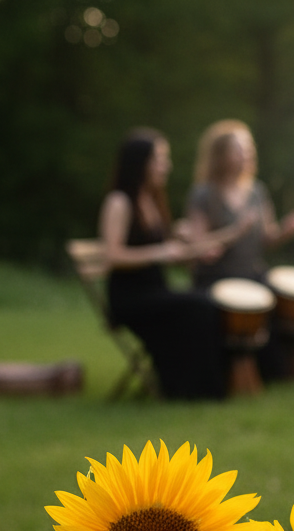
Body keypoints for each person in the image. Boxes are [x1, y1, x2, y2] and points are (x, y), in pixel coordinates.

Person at [101, 128, 239, 400]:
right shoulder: (119, 202)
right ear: (141, 163)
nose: (167, 166)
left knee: (209, 301)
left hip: (155, 291)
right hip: (130, 298)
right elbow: (112, 256)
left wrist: (195, 251)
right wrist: (160, 252)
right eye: (161, 158)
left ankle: (200, 386)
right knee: (199, 307)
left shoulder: (151, 202)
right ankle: (192, 389)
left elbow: (169, 252)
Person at [185, 120, 294, 289]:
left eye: (249, 149)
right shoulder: (204, 194)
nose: (246, 154)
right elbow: (196, 244)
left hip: (251, 274)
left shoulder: (257, 191)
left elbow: (267, 240)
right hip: (216, 278)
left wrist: (285, 230)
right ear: (220, 155)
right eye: (239, 149)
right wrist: (234, 232)